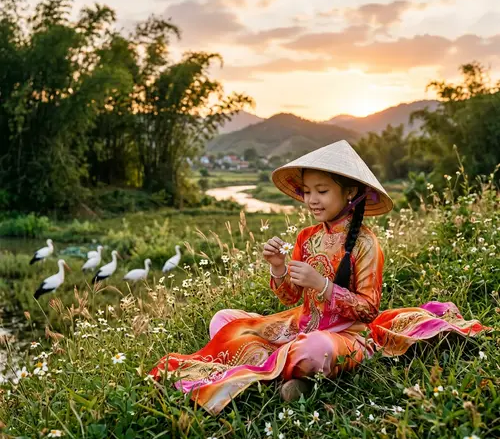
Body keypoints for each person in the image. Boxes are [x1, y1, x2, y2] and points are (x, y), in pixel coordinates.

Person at [149, 140, 487, 415]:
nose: (311, 199)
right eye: (308, 190)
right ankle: (289, 376)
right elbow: (290, 298)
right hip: (298, 324)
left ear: (350, 192)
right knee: (223, 319)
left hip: (345, 335)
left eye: (322, 191)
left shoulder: (366, 244)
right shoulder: (307, 237)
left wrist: (323, 286)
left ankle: (285, 370)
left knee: (315, 350)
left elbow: (369, 310)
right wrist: (278, 267)